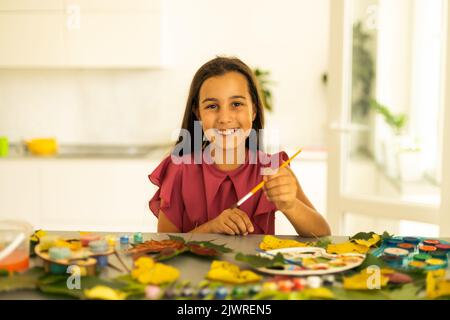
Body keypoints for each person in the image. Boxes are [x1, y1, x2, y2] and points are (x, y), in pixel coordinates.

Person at [149, 56, 330, 237]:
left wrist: (291, 205)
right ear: (198, 114)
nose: (225, 118)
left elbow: (322, 233)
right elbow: (165, 244)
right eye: (212, 106)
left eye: (236, 104)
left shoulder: (273, 169)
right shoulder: (179, 170)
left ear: (254, 110)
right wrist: (211, 228)